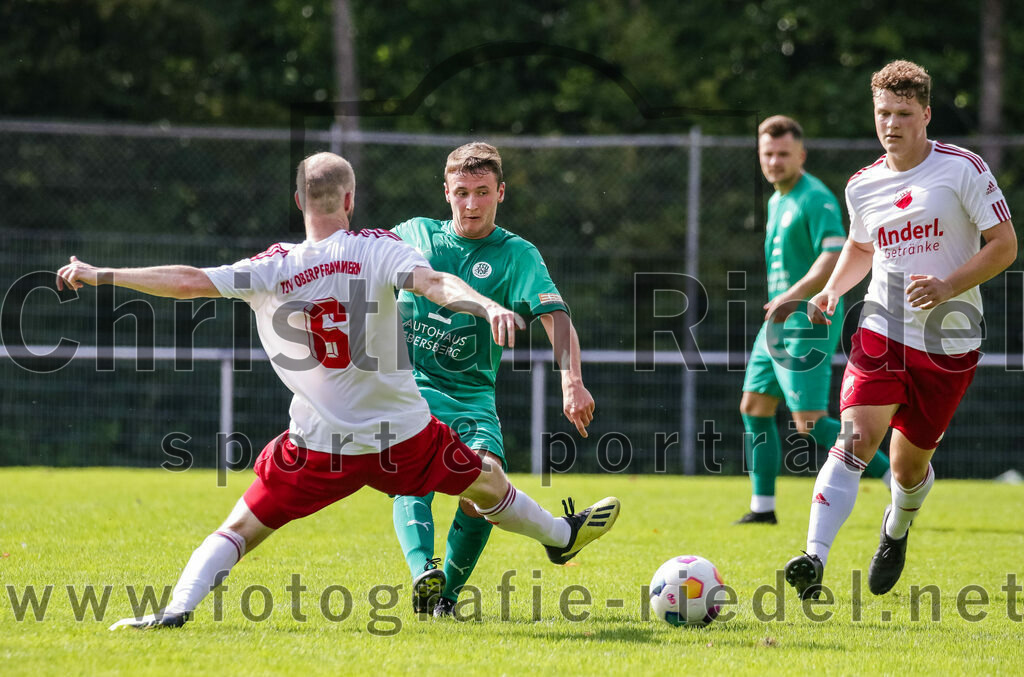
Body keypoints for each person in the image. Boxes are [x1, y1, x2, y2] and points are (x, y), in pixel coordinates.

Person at [54, 152, 620, 630]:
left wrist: (102, 273)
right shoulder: (381, 247)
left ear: (299, 201)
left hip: (318, 445)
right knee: (487, 482)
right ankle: (557, 535)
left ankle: (176, 608)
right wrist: (487, 305)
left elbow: (189, 280)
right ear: (350, 200)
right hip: (404, 437)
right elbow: (435, 283)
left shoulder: (272, 266)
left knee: (240, 529)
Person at [784, 61, 1017, 599]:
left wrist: (948, 286)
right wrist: (833, 290)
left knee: (909, 470)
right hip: (882, 330)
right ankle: (814, 557)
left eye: (904, 114)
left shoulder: (963, 169)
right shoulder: (862, 185)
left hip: (950, 341)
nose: (891, 124)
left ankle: (896, 528)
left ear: (926, 114)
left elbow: (1005, 245)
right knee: (855, 439)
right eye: (883, 113)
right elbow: (861, 245)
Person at [389, 142, 596, 617]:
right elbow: (360, 266)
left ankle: (445, 599)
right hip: (408, 386)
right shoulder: (414, 234)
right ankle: (423, 571)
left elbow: (555, 316)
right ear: (446, 192)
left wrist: (572, 381)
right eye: (462, 192)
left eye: (482, 192)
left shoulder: (517, 254)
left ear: (500, 192)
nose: (471, 204)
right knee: (412, 467)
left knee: (485, 483)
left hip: (471, 395)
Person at [736, 115, 890, 526]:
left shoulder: (814, 197)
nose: (774, 161)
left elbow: (833, 254)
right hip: (778, 320)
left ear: (801, 155)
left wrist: (794, 294)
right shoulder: (777, 200)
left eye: (783, 154)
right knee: (755, 405)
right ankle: (762, 508)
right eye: (768, 154)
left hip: (808, 317)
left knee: (809, 421)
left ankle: (894, 476)